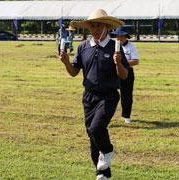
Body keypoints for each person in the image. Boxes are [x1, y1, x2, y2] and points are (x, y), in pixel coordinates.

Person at [59, 9, 129, 180]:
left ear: (106, 26)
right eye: (91, 26)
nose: (94, 29)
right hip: (88, 96)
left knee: (97, 128)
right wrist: (66, 62)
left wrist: (118, 63)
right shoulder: (83, 46)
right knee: (92, 137)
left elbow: (124, 75)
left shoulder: (115, 47)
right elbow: (74, 72)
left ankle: (108, 151)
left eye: (98, 25)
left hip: (108, 96)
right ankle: (102, 175)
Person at [111, 25, 139, 123]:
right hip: (113, 71)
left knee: (126, 95)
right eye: (118, 36)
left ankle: (126, 116)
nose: (119, 38)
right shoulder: (112, 45)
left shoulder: (131, 47)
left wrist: (123, 63)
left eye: (122, 36)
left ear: (126, 36)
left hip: (127, 72)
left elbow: (136, 61)